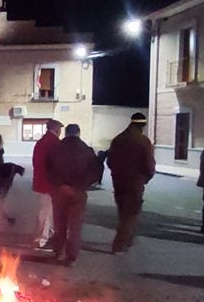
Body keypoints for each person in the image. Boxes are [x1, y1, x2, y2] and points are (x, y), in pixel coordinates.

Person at [48, 124, 99, 265]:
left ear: (65, 133)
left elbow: (49, 169)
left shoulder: (56, 149)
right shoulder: (86, 150)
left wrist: (58, 184)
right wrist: (83, 185)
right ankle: (71, 256)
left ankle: (58, 251)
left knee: (59, 223)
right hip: (78, 192)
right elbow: (95, 171)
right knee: (75, 225)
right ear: (78, 133)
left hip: (60, 191)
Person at [106, 112, 156, 254]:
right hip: (134, 183)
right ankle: (119, 245)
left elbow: (109, 161)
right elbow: (148, 165)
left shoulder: (118, 139)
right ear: (143, 125)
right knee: (130, 214)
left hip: (118, 181)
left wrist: (116, 173)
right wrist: (145, 178)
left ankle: (128, 239)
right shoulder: (143, 141)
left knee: (123, 212)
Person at [31, 119, 64, 249]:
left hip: (42, 181)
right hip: (49, 184)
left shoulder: (42, 142)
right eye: (60, 129)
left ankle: (45, 236)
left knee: (46, 212)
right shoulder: (54, 143)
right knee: (46, 212)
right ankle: (42, 240)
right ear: (56, 129)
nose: (60, 131)